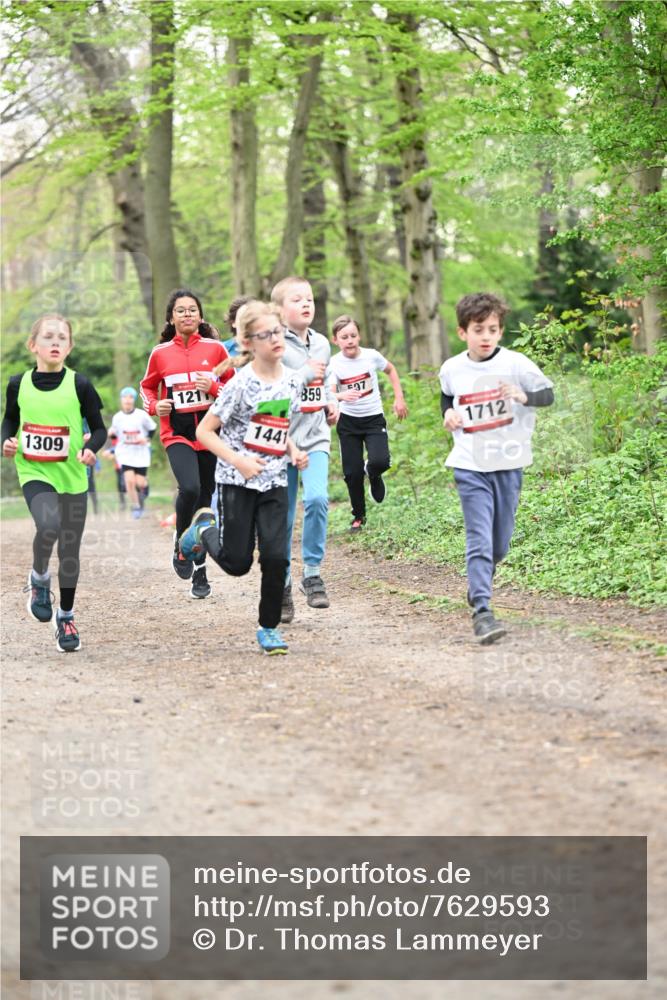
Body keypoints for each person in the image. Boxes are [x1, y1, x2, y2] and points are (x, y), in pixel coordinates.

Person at [178, 300, 308, 655]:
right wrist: (238, 460)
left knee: (276, 556)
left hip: (274, 480)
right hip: (236, 482)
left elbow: (275, 422)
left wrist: (293, 450)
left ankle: (269, 628)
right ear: (248, 342)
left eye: (278, 332)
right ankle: (202, 530)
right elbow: (205, 431)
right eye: (266, 335)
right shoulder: (240, 385)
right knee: (237, 563)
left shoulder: (291, 381)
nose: (275, 339)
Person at [439, 292, 554, 644]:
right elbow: (446, 395)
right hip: (469, 464)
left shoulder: (516, 364)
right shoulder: (452, 368)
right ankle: (483, 611)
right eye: (478, 330)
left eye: (492, 329)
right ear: (463, 332)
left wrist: (523, 395)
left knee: (499, 544)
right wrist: (448, 412)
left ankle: (479, 582)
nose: (486, 336)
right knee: (479, 537)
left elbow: (548, 395)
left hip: (508, 463)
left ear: (501, 331)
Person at [1, 313, 106, 652]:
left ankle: (66, 616)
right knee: (48, 525)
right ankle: (39, 578)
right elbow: (9, 421)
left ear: (70, 347)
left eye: (62, 337)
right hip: (34, 471)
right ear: (33, 345)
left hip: (72, 477)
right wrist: (6, 441)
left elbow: (99, 429)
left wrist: (90, 449)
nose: (55, 342)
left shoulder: (80, 385)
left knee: (70, 551)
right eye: (48, 337)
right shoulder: (18, 384)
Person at [140, 288, 235, 599]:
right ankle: (181, 542)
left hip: (210, 433)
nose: (187, 314)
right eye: (180, 310)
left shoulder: (216, 349)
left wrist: (215, 387)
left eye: (192, 309)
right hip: (177, 434)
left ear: (201, 316)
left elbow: (235, 389)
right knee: (190, 489)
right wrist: (155, 406)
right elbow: (147, 388)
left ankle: (200, 571)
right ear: (171, 318)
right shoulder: (160, 353)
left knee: (204, 504)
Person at [270, 276, 337, 622]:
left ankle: (311, 573)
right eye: (296, 300)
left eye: (308, 298)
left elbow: (327, 380)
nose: (306, 304)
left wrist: (332, 402)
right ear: (280, 310)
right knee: (283, 517)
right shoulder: (274, 344)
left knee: (317, 499)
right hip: (280, 440)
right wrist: (304, 374)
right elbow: (271, 388)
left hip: (315, 437)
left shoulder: (323, 343)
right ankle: (281, 583)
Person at [329, 315, 408, 531]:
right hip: (348, 423)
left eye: (353, 335)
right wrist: (341, 396)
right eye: (344, 337)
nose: (350, 340)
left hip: (373, 418)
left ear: (359, 336)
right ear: (336, 340)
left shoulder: (371, 356)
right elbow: (329, 391)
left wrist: (399, 398)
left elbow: (391, 370)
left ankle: (372, 472)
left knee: (380, 461)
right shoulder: (334, 363)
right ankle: (359, 516)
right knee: (352, 474)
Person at [109, 387, 156, 518]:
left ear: (134, 400)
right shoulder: (117, 417)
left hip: (140, 453)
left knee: (139, 483)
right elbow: (115, 436)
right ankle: (136, 506)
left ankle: (145, 485)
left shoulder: (141, 415)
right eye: (125, 397)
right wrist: (111, 434)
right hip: (125, 453)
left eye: (130, 397)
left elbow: (152, 428)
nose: (127, 400)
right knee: (129, 481)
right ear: (121, 400)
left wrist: (146, 439)